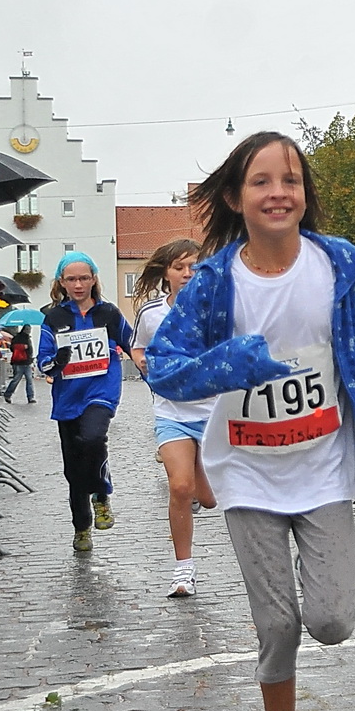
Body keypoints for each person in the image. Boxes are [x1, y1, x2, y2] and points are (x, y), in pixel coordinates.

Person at [145, 131, 355, 711]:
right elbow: (164, 367)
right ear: (236, 197)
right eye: (261, 181)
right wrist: (231, 363)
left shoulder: (339, 263)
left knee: (331, 620)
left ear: (305, 193)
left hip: (325, 467)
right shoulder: (214, 281)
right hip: (247, 472)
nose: (278, 192)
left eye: (290, 179)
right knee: (278, 624)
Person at [130, 238, 216, 597]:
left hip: (213, 412)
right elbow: (137, 346)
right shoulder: (151, 313)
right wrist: (142, 362)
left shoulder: (217, 309)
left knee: (209, 499)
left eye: (193, 266)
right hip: (171, 412)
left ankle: (201, 484)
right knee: (179, 487)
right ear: (166, 273)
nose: (187, 273)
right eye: (179, 267)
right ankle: (183, 570)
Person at [38, 251, 135, 553]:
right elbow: (43, 363)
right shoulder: (53, 318)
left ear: (93, 279)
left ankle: (102, 494)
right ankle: (81, 527)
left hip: (101, 392)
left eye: (83, 278)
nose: (78, 285)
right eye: (71, 279)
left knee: (93, 438)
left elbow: (134, 346)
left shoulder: (109, 313)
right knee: (74, 469)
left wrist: (156, 378)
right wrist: (57, 361)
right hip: (68, 398)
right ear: (62, 282)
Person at [4, 327, 37, 403]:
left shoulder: (17, 338)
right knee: (27, 380)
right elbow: (29, 350)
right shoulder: (27, 339)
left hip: (19, 362)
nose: (29, 331)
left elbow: (12, 348)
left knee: (17, 380)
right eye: (28, 329)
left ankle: (8, 395)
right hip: (24, 362)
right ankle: (30, 397)